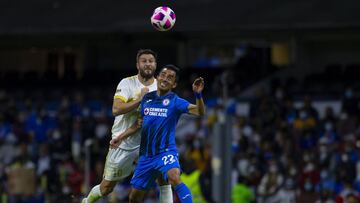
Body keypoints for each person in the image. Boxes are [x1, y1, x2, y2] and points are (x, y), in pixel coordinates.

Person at [82, 49, 173, 203]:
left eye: (151, 61)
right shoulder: (127, 83)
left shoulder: (161, 87)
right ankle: (86, 202)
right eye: (144, 61)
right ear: (137, 65)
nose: (148, 64)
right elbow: (116, 109)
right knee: (106, 188)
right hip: (124, 142)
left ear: (155, 65)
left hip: (149, 143)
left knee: (164, 179)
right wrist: (140, 100)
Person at [110, 64, 206, 203]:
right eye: (163, 75)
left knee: (174, 177)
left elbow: (200, 112)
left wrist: (197, 94)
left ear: (174, 84)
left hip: (165, 151)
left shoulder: (175, 101)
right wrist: (120, 137)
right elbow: (139, 124)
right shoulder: (146, 99)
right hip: (146, 156)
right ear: (157, 77)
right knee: (134, 197)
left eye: (170, 78)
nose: (165, 79)